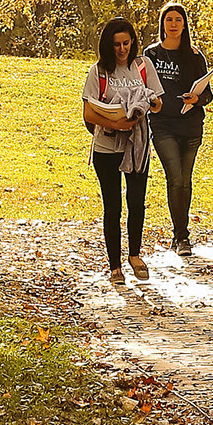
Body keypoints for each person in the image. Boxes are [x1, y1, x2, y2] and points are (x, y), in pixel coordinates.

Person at [82, 17, 163, 284]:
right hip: (107, 146)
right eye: (116, 44)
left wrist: (147, 105)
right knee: (112, 205)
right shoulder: (98, 72)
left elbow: (157, 101)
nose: (122, 49)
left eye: (126, 43)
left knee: (137, 201)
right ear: (108, 45)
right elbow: (88, 112)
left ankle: (135, 254)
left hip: (137, 145)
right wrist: (115, 122)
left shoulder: (143, 66)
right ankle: (114, 264)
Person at [143, 3, 213, 257]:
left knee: (185, 179)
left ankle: (180, 233)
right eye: (168, 19)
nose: (173, 24)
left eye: (178, 20)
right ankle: (181, 236)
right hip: (162, 125)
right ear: (162, 23)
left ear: (185, 25)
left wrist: (196, 99)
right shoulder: (151, 55)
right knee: (175, 177)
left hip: (191, 126)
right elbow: (142, 88)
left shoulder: (194, 56)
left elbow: (208, 94)